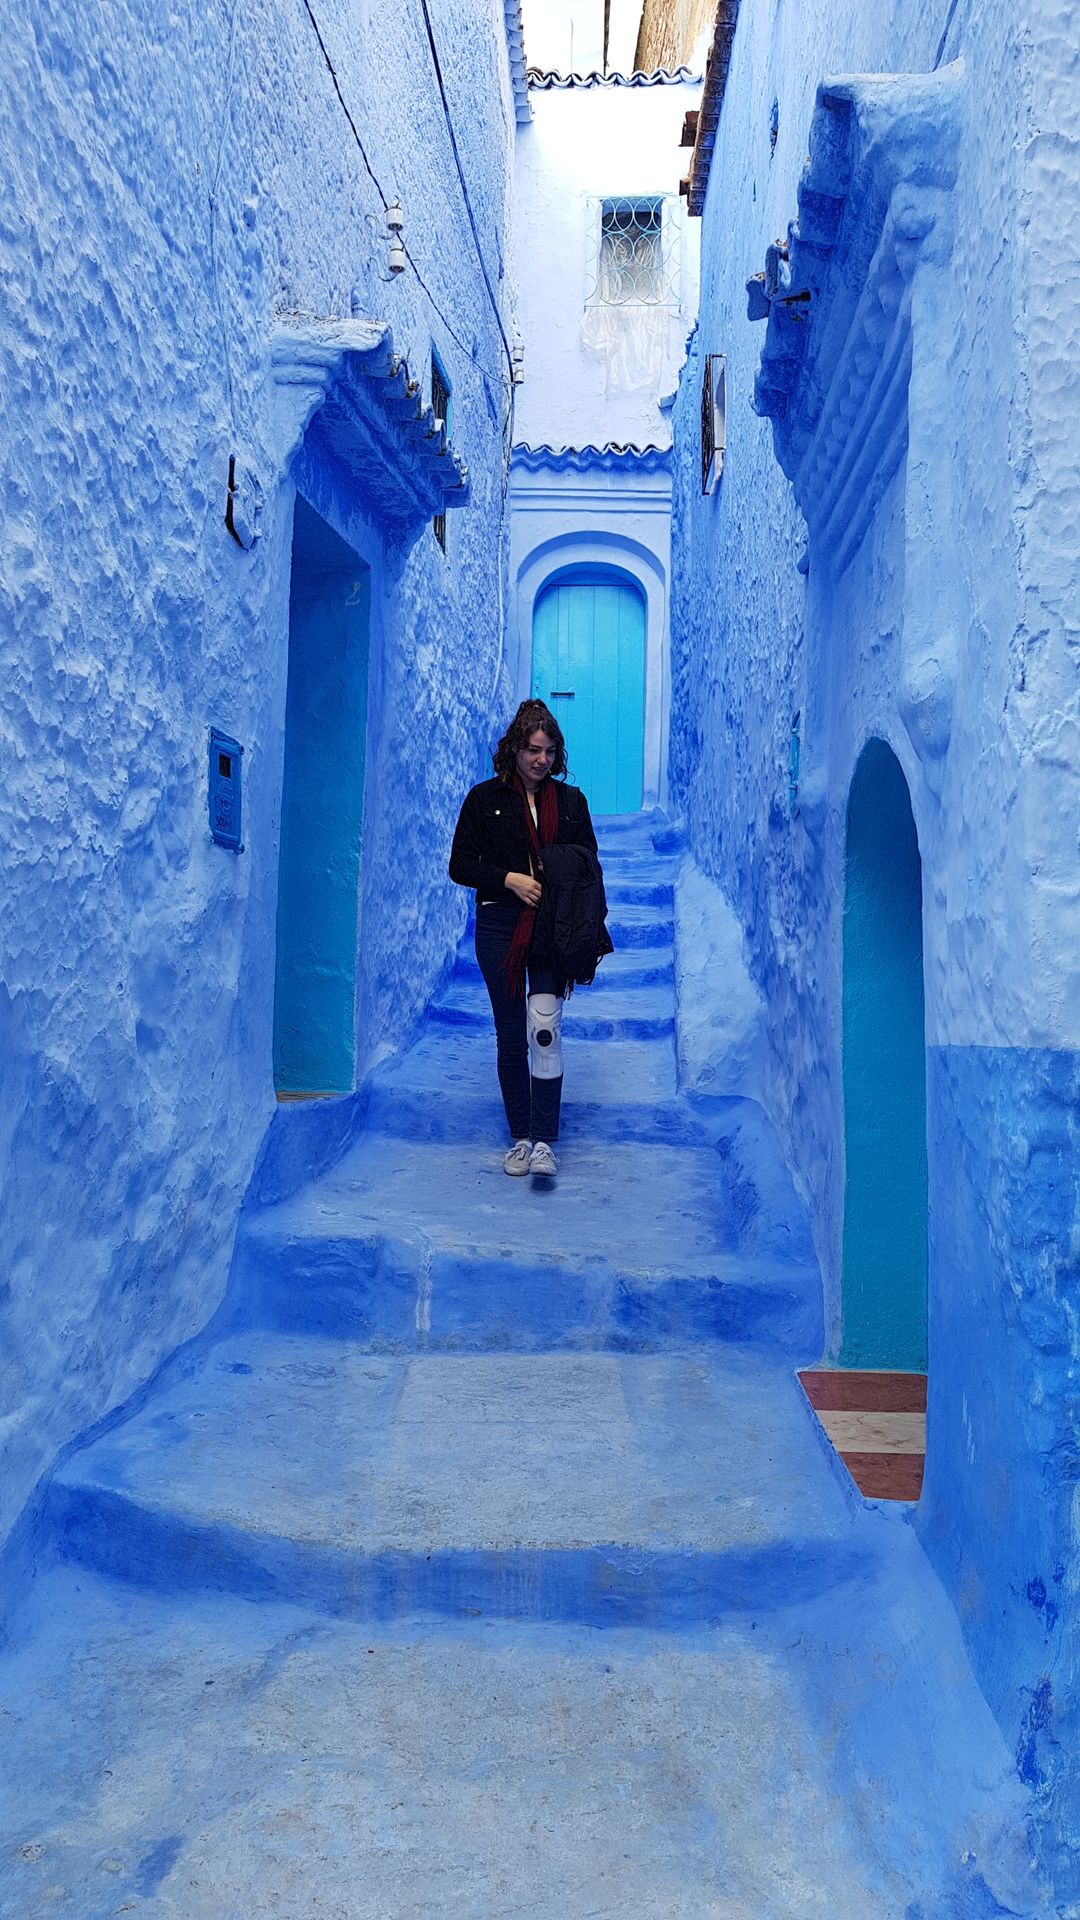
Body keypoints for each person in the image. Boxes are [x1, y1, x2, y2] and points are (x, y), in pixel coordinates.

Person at [449, 699, 602, 1181]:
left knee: (544, 1028)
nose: (542, 760)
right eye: (534, 750)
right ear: (514, 749)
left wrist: (554, 873)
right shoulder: (483, 799)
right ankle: (520, 1137)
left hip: (553, 927)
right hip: (500, 926)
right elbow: (461, 866)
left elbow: (588, 863)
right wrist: (510, 879)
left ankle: (544, 1142)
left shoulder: (572, 803)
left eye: (550, 752)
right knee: (511, 1035)